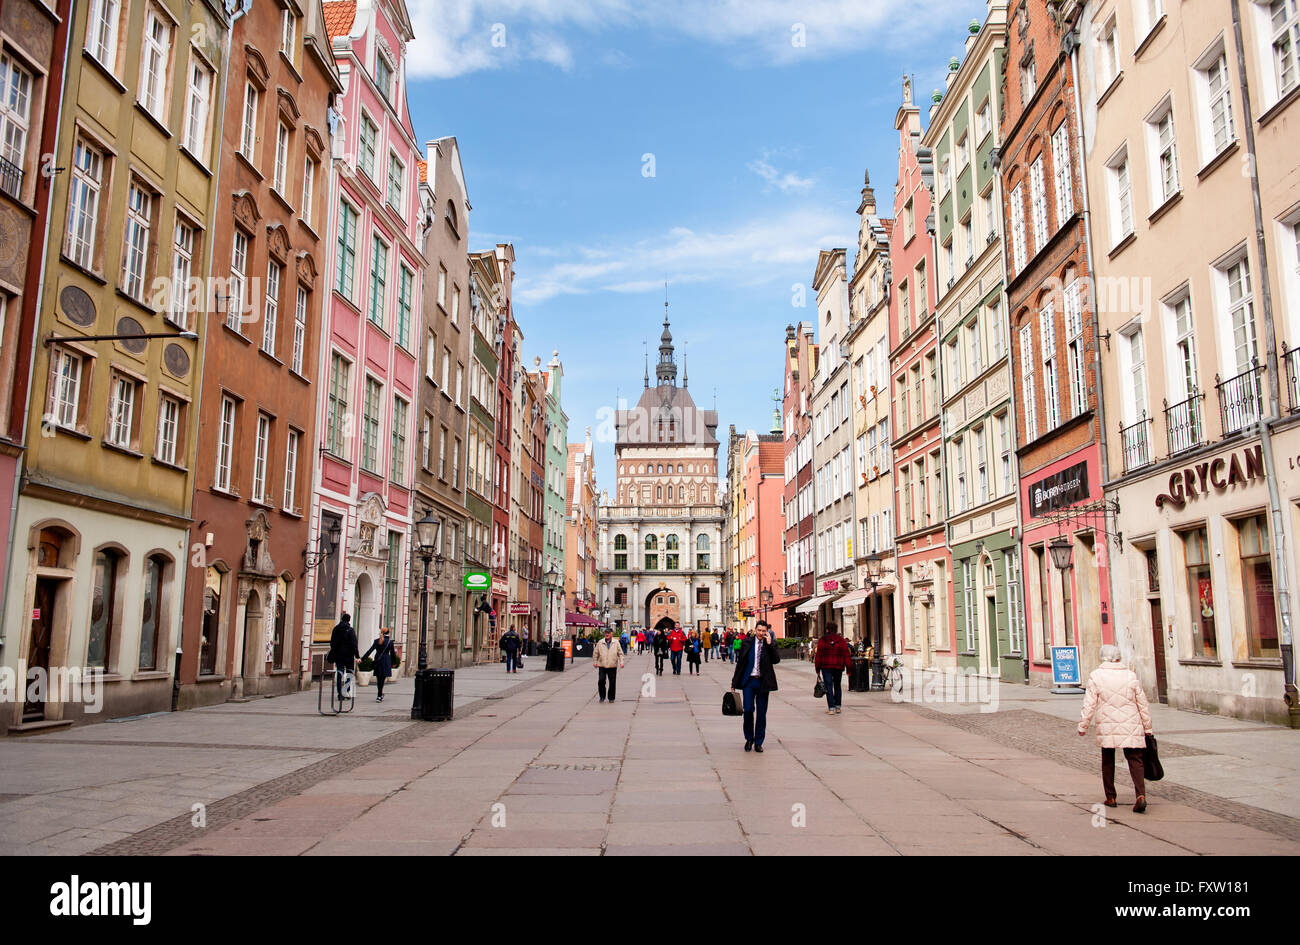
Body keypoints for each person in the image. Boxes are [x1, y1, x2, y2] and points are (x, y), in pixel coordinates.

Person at [1078, 644, 1154, 813]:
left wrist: (1083, 725)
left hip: (1107, 722)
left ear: (1102, 658)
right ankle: (1140, 795)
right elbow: (1143, 704)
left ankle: (1111, 797)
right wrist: (1148, 728)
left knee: (1108, 759)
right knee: (1135, 759)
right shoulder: (1130, 675)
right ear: (1119, 658)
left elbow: (1089, 704)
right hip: (1131, 722)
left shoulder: (1096, 676)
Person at [732, 621, 781, 752]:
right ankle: (749, 738)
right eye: (759, 630)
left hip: (763, 682)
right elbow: (740, 663)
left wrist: (771, 644)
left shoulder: (769, 644)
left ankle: (759, 742)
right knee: (748, 710)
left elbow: (776, 660)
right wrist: (734, 682)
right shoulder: (747, 642)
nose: (761, 633)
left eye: (764, 631)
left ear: (767, 632)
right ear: (755, 630)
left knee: (761, 713)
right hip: (749, 681)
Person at [814, 622, 852, 714]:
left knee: (828, 686)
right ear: (836, 629)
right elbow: (846, 655)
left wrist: (817, 668)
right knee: (837, 685)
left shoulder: (822, 640)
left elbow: (818, 655)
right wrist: (849, 668)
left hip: (826, 666)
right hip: (838, 666)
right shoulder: (841, 640)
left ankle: (831, 708)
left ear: (827, 629)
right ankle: (838, 706)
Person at [328, 612, 360, 705]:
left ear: (342, 619)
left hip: (339, 655)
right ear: (349, 620)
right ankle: (345, 691)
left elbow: (332, 642)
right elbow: (354, 644)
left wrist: (335, 649)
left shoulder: (336, 629)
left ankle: (339, 694)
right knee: (350, 673)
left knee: (340, 672)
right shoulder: (350, 630)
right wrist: (357, 656)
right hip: (349, 655)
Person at [360, 627, 397, 702]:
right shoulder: (390, 642)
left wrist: (362, 659)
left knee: (378, 678)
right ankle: (379, 695)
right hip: (386, 660)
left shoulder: (377, 641)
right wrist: (394, 663)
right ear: (388, 633)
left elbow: (370, 651)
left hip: (378, 660)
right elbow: (392, 653)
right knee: (382, 679)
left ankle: (379, 694)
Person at [593, 627, 625, 703]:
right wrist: (595, 661)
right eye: (605, 633)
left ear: (611, 634)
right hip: (602, 665)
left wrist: (622, 662)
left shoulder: (616, 642)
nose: (606, 634)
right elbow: (595, 653)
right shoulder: (600, 642)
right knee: (601, 681)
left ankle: (611, 698)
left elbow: (620, 653)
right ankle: (602, 696)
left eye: (608, 633)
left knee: (612, 682)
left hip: (612, 665)